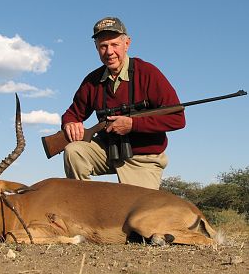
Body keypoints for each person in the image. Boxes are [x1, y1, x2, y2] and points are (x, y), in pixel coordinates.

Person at [61, 16, 185, 189]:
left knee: (140, 213)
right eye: (103, 46)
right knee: (73, 151)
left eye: (114, 45)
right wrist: (70, 123)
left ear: (127, 44)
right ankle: (87, 207)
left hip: (143, 158)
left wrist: (132, 124)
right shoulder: (92, 80)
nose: (109, 52)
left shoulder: (148, 73)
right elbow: (73, 113)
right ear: (96, 48)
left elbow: (178, 119)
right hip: (108, 150)